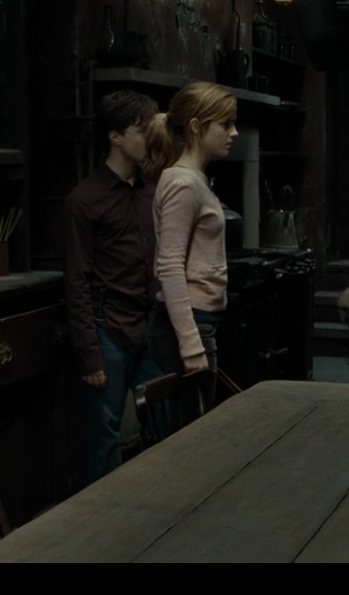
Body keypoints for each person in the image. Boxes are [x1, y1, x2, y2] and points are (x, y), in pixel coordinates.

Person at [62, 90, 164, 486]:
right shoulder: (85, 200)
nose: (150, 139)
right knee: (104, 434)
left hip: (152, 324)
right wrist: (90, 355)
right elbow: (77, 280)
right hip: (110, 329)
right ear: (115, 136)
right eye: (142, 131)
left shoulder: (153, 189)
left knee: (163, 426)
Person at [142, 81, 238, 436]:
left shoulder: (193, 180)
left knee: (198, 432)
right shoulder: (183, 183)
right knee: (194, 439)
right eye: (225, 124)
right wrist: (190, 343)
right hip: (187, 324)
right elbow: (169, 265)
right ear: (196, 126)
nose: (234, 132)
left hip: (199, 321)